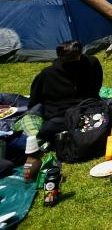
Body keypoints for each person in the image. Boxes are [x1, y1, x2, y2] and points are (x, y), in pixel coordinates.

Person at [20, 40, 104, 179]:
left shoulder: (47, 73)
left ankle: (70, 133)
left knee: (47, 127)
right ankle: (86, 130)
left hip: (66, 117)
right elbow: (96, 87)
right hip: (88, 113)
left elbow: (35, 99)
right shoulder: (91, 63)